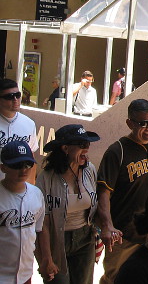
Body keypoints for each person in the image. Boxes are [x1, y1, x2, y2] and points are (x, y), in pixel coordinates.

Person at [96, 98, 148, 284]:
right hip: (124, 235)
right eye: (143, 123)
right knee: (115, 279)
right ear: (129, 123)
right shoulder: (117, 151)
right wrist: (107, 226)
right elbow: (103, 193)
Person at [36, 124, 101, 284]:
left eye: (88, 144)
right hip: (56, 241)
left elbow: (97, 205)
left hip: (85, 239)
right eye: (82, 145)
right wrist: (46, 258)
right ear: (65, 148)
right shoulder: (46, 178)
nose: (87, 149)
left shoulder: (90, 170)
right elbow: (43, 222)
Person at [0, 140, 46, 284]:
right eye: (17, 165)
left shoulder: (36, 194)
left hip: (25, 275)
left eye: (27, 164)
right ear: (3, 167)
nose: (23, 170)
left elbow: (38, 231)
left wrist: (45, 260)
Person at [0, 78, 39, 183]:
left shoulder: (29, 123)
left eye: (18, 95)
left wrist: (30, 187)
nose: (15, 100)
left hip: (18, 186)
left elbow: (31, 158)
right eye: (9, 97)